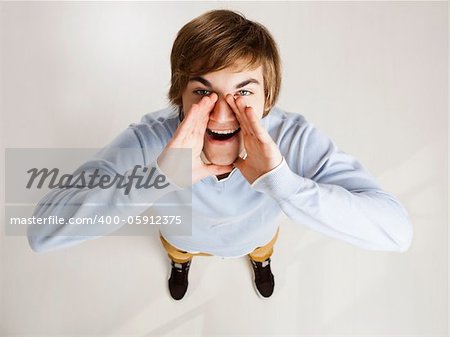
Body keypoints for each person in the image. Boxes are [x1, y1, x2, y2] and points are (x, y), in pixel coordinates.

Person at [27, 9, 413, 300]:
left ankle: (261, 263)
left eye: (243, 91)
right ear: (180, 93)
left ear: (268, 97)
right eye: (203, 91)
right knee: (179, 253)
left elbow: (397, 232)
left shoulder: (291, 137)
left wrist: (282, 182)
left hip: (257, 237)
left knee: (262, 251)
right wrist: (160, 177)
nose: (224, 113)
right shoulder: (152, 138)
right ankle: (181, 267)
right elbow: (41, 232)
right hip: (182, 238)